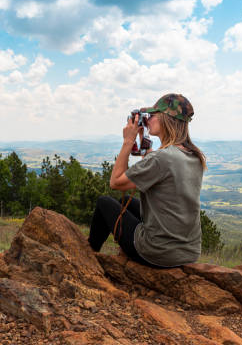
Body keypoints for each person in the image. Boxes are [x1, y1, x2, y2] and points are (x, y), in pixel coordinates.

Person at [87, 93, 206, 267]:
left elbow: (116, 182)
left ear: (166, 118)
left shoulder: (162, 159)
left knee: (104, 203)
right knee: (126, 201)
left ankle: (89, 254)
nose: (148, 119)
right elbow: (157, 168)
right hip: (188, 251)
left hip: (157, 252)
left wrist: (128, 141)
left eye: (153, 115)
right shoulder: (193, 155)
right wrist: (143, 142)